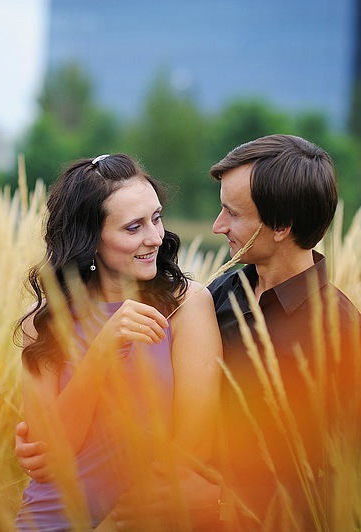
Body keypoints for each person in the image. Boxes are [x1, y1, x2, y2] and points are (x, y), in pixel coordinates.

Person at [16, 136, 361, 530]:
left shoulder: (340, 334)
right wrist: (50, 442)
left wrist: (223, 502)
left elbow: (359, 483)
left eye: (232, 213)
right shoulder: (221, 294)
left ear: (281, 226)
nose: (217, 226)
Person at [13, 153, 222, 530]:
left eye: (156, 218)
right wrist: (103, 347)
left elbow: (191, 452)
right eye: (133, 227)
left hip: (142, 519)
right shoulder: (43, 321)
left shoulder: (187, 306)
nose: (155, 238)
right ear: (91, 240)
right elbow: (50, 457)